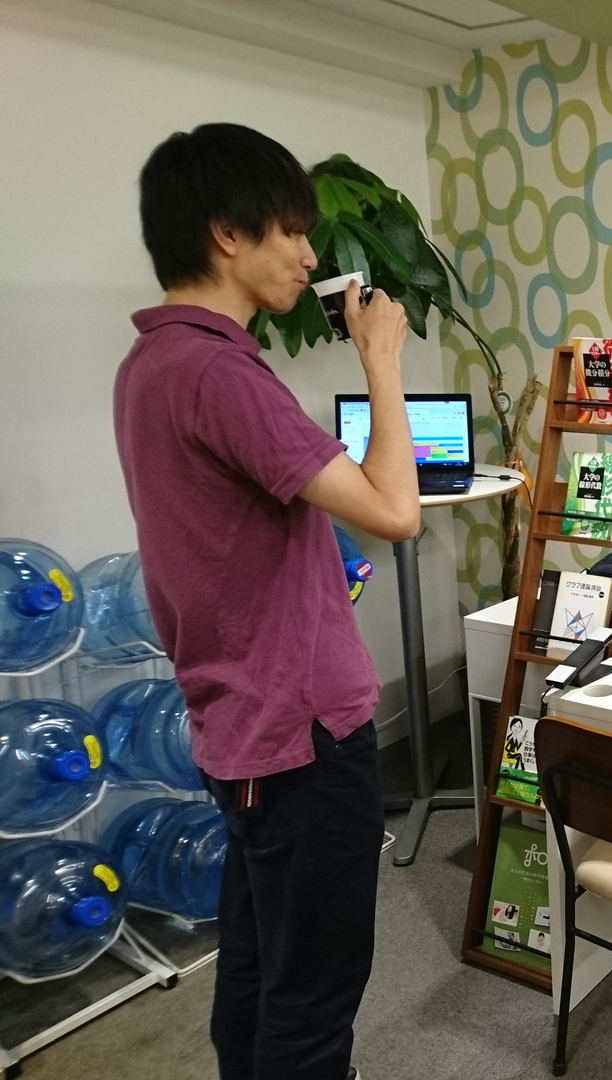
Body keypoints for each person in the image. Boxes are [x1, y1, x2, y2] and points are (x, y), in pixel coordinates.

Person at [114, 123, 419, 1080]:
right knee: (313, 993)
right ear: (226, 233)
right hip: (302, 731)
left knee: (257, 960)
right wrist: (381, 361)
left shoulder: (149, 366)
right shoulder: (221, 372)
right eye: (290, 230)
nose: (309, 255)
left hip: (241, 726)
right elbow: (397, 512)